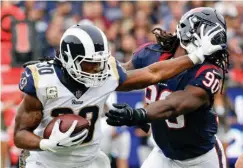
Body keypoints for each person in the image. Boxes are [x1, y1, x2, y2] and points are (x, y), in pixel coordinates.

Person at [14, 21, 224, 168]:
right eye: (90, 64)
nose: (97, 70)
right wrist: (44, 143)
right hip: (46, 162)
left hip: (89, 161)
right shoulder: (42, 82)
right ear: (69, 59)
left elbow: (153, 72)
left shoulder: (106, 74)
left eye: (100, 63)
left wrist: (196, 56)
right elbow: (19, 134)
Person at [106, 7, 229, 168]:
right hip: (163, 155)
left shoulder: (210, 71)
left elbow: (174, 105)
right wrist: (101, 70)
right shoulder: (152, 52)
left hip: (199, 160)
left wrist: (139, 115)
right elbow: (122, 78)